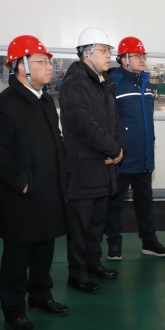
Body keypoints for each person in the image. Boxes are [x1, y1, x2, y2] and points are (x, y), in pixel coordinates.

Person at [0, 35, 70, 330]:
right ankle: (14, 311)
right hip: (24, 195)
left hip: (49, 191)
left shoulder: (44, 100)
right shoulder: (4, 105)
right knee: (17, 258)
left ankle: (41, 296)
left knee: (45, 250)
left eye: (48, 61)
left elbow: (55, 141)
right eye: (41, 62)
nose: (49, 67)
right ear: (22, 66)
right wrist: (21, 183)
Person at [59, 28, 125, 293]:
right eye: (104, 51)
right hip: (84, 166)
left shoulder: (102, 81)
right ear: (87, 53)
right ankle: (77, 273)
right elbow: (85, 126)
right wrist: (112, 149)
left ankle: (93, 263)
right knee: (80, 225)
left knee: (97, 221)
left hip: (104, 165)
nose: (109, 56)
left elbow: (115, 120)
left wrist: (118, 148)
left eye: (109, 51)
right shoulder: (75, 84)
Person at [105, 36, 165, 260]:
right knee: (114, 204)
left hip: (144, 156)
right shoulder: (113, 84)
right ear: (124, 59)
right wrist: (112, 149)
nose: (142, 59)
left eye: (143, 56)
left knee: (145, 203)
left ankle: (149, 242)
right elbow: (107, 121)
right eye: (136, 56)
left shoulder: (146, 83)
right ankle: (114, 244)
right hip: (122, 157)